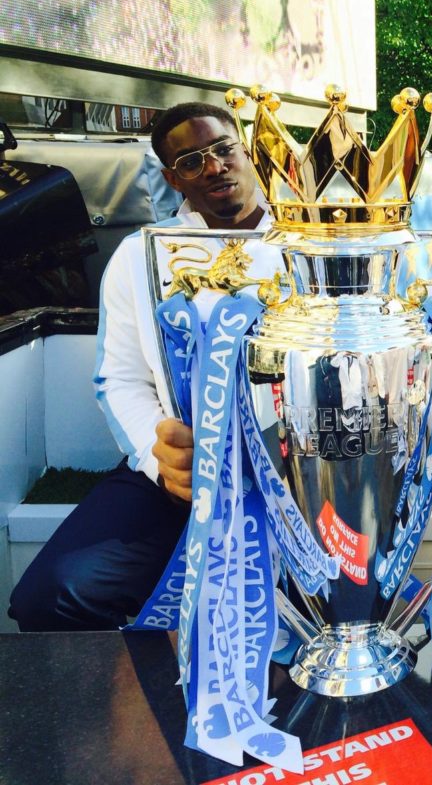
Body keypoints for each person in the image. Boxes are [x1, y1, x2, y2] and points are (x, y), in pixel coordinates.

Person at [8, 102, 274, 630]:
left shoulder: (312, 242)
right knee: (51, 596)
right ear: (174, 179)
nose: (215, 166)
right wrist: (162, 459)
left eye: (223, 149)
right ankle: (149, 702)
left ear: (246, 152)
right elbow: (120, 377)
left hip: (298, 475)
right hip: (185, 472)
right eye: (193, 161)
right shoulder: (139, 254)